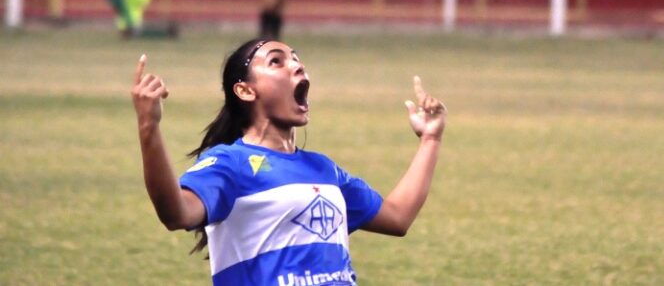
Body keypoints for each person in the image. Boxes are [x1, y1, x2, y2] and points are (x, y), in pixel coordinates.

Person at [130, 39, 446, 285]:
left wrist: (430, 140)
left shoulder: (324, 169)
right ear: (245, 90)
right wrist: (148, 127)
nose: (296, 65)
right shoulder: (230, 163)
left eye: (296, 58)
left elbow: (397, 217)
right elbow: (176, 213)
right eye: (276, 61)